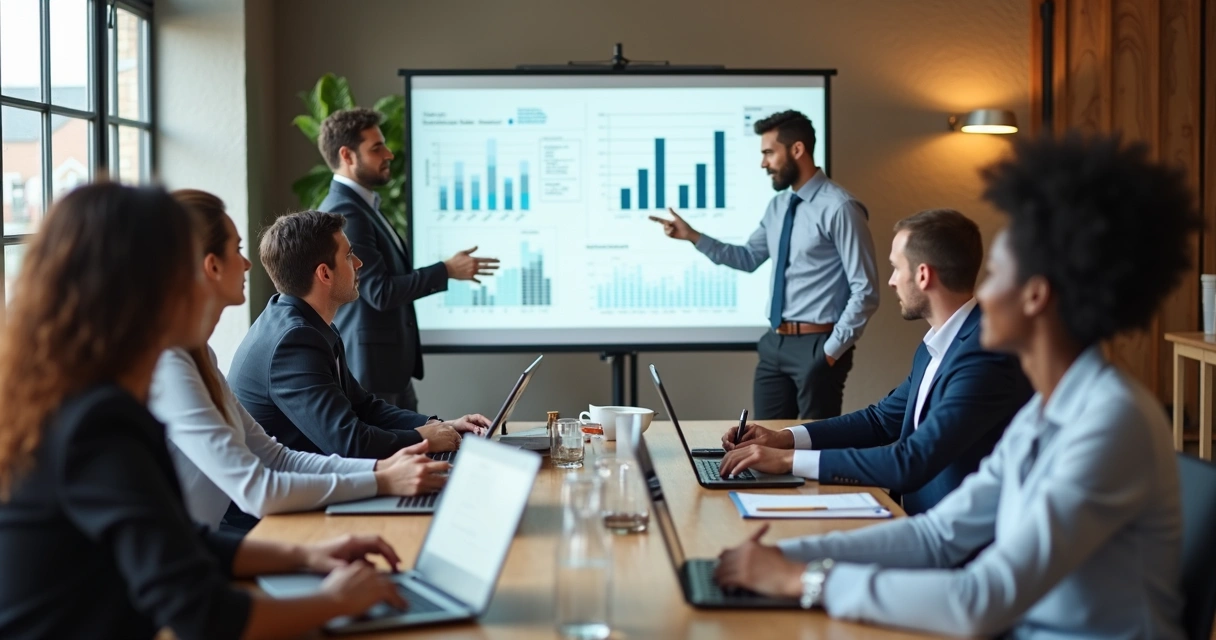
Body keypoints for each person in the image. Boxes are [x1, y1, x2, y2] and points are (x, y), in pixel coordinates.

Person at [713, 133, 1199, 638]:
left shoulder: (1110, 421)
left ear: (1036, 295)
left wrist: (802, 580)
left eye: (997, 275)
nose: (982, 291)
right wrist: (779, 557)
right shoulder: (1046, 411)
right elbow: (938, 536)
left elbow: (981, 600)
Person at [0, 183, 412, 640]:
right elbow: (203, 613)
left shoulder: (95, 398)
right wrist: (336, 601)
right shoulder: (98, 423)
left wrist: (306, 555)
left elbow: (177, 541)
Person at [149, 190, 450, 532]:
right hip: (236, 534)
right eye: (237, 250)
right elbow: (259, 488)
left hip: (220, 539)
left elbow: (276, 457)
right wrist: (386, 477)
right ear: (212, 266)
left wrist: (385, 469)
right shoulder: (174, 365)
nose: (248, 264)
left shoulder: (200, 352)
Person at [717, 209, 1031, 514]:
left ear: (923, 275)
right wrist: (784, 439)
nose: (892, 281)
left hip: (954, 544)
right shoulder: (939, 344)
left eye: (896, 268)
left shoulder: (985, 354)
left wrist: (788, 460)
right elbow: (880, 421)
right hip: (911, 520)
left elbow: (911, 461)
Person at [650, 110, 879, 419]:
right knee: (762, 443)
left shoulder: (840, 207)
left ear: (797, 150)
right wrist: (693, 236)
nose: (763, 163)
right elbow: (747, 258)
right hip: (775, 345)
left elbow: (865, 289)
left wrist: (831, 351)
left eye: (769, 153)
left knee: (816, 448)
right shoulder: (779, 206)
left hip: (818, 344)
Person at [229, 209, 489, 463]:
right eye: (349, 255)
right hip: (279, 501)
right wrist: (423, 438)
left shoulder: (310, 323)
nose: (359, 263)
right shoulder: (293, 341)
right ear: (325, 273)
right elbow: (349, 443)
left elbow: (364, 407)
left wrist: (440, 426)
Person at [319, 107, 499, 412]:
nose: (389, 154)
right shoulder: (347, 210)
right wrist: (447, 270)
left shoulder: (364, 205)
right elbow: (379, 291)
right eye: (376, 148)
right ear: (347, 156)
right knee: (397, 456)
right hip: (372, 372)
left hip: (387, 369)